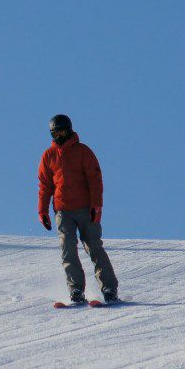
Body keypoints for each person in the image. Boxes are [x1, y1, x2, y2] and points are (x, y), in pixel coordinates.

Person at [38, 114, 119, 305]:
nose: (59, 136)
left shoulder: (83, 152)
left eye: (61, 132)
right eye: (55, 133)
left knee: (94, 247)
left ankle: (109, 288)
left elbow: (95, 180)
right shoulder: (48, 155)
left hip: (85, 209)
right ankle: (76, 290)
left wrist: (96, 205)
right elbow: (44, 185)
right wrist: (42, 210)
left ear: (69, 130)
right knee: (68, 250)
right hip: (62, 211)